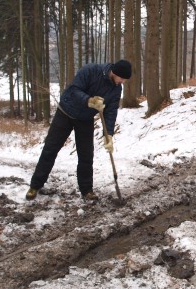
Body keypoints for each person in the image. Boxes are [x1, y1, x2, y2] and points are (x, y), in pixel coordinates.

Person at [25, 60, 132, 201]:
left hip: (85, 119)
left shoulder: (116, 88)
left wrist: (109, 135)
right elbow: (74, 89)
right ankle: (35, 185)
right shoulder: (91, 70)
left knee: (86, 155)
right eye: (122, 78)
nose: (122, 82)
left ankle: (87, 190)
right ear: (115, 73)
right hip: (65, 112)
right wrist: (89, 101)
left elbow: (111, 112)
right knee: (50, 149)